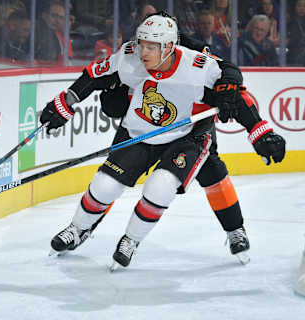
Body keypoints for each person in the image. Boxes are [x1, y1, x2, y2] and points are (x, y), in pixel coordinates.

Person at [40, 12, 285, 270]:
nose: (143, 52)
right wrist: (65, 104)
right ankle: (78, 228)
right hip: (142, 130)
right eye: (141, 43)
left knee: (167, 184)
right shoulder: (130, 56)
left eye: (151, 46)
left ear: (170, 45)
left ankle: (132, 240)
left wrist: (260, 132)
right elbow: (93, 75)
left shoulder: (197, 65)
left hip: (187, 133)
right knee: (104, 185)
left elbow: (235, 91)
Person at [97, 31, 285, 265]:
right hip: (152, 128)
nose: (146, 48)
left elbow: (233, 86)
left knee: (212, 172)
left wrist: (259, 130)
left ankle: (235, 229)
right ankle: (82, 227)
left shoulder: (194, 53)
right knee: (113, 176)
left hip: (191, 130)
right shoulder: (141, 53)